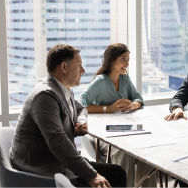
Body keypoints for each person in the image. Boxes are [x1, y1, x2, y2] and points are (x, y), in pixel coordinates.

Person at [10, 44, 126, 188]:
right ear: (64, 67)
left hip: (59, 161)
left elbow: (81, 108)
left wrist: (80, 122)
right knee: (107, 178)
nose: (83, 70)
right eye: (79, 65)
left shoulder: (63, 89)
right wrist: (91, 176)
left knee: (118, 173)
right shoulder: (45, 96)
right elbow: (58, 142)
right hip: (44, 169)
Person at [78, 43, 146, 188]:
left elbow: (139, 99)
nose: (127, 63)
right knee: (124, 151)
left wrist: (132, 105)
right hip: (104, 134)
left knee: (145, 148)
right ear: (111, 60)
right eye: (123, 59)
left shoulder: (125, 79)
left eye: (128, 59)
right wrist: (107, 108)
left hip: (125, 129)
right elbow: (81, 105)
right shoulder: (100, 82)